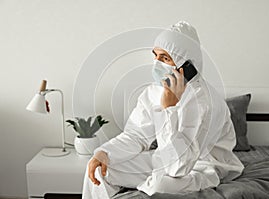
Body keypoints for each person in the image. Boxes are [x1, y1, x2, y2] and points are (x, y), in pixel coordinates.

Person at [82, 21, 244, 199]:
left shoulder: (205, 103)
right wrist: (105, 153)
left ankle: (148, 182)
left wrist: (169, 109)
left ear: (186, 65)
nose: (157, 63)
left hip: (203, 166)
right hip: (164, 158)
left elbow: (179, 167)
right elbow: (137, 135)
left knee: (161, 185)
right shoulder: (154, 91)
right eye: (155, 56)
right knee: (99, 169)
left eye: (165, 58)